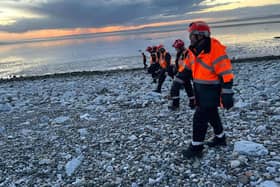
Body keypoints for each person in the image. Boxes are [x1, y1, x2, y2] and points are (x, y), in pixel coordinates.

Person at [181, 21, 234, 159]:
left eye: (192, 35)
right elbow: (187, 69)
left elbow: (226, 73)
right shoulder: (193, 50)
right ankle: (220, 138)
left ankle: (196, 147)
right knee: (212, 114)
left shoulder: (215, 49)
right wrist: (177, 81)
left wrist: (227, 93)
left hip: (212, 90)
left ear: (200, 36)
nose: (189, 38)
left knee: (199, 118)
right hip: (199, 90)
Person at [168, 39, 195, 110]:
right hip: (185, 72)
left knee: (175, 87)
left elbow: (191, 63)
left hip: (185, 72)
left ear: (179, 47)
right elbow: (180, 63)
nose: (175, 49)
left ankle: (176, 105)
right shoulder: (182, 53)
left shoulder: (187, 53)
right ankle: (193, 102)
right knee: (188, 87)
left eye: (176, 48)